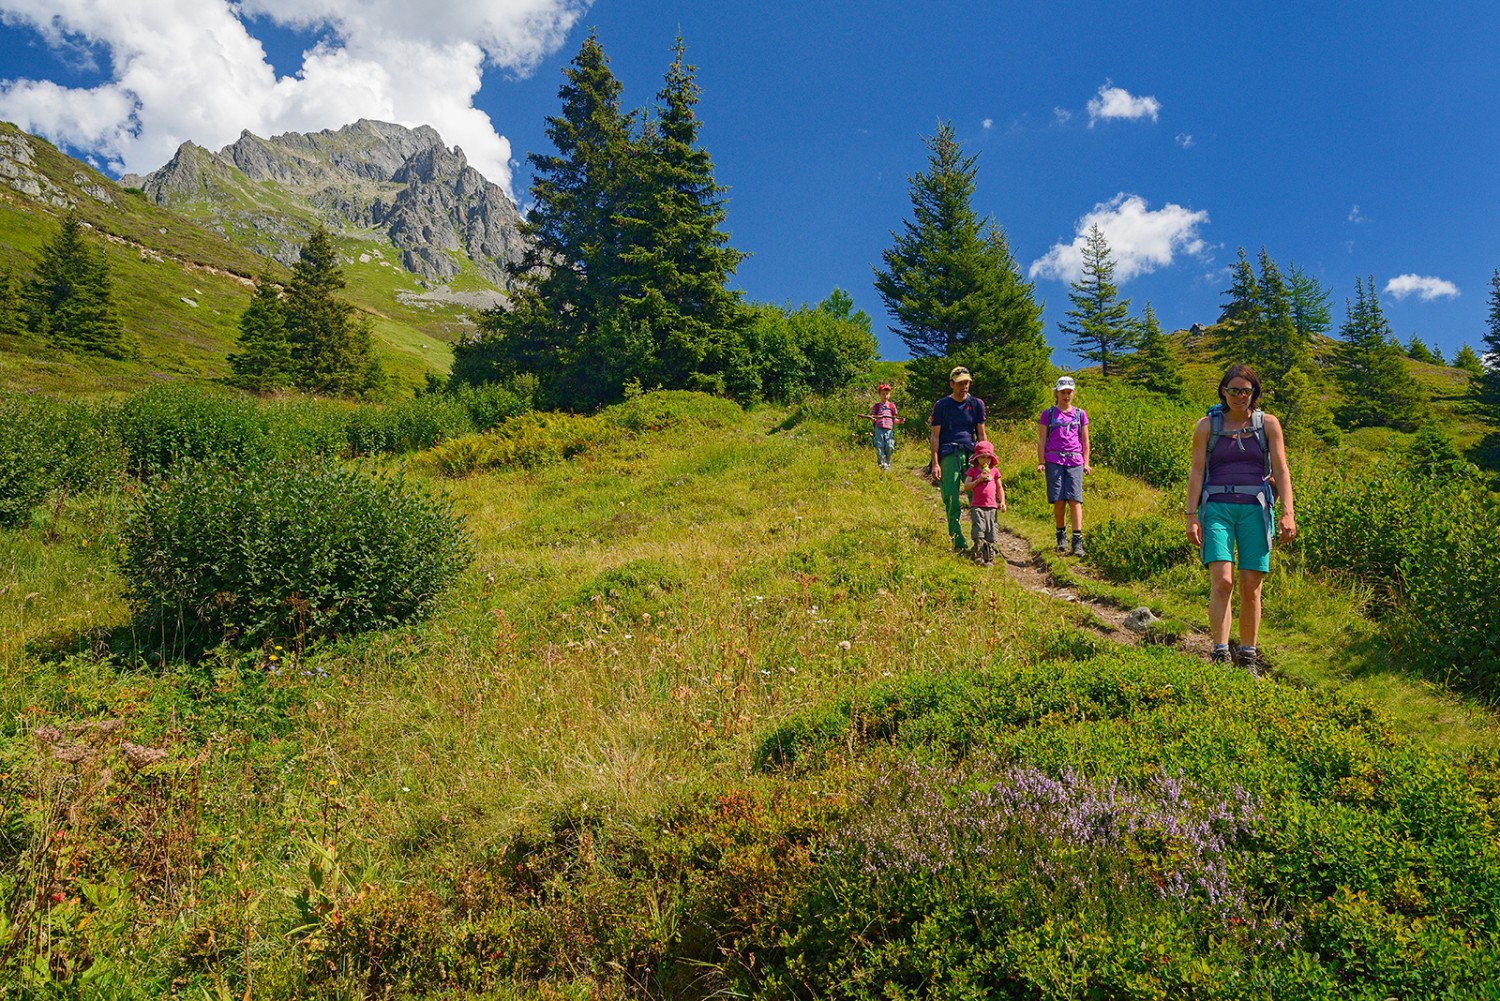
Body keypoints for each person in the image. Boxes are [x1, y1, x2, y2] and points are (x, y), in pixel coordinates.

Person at [1185, 364, 1297, 675]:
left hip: (1256, 509)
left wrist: (1288, 511)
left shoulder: (1269, 424)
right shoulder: (1206, 426)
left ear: (1254, 394)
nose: (1239, 396)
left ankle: (1248, 656)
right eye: (1233, 390)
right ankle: (1220, 653)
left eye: (1245, 391)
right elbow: (1196, 472)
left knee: (1251, 587)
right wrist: (1191, 515)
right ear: (1223, 391)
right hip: (1217, 507)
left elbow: (1282, 470)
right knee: (1223, 582)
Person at [929, 366, 988, 553]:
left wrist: (986, 460)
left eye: (967, 382)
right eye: (961, 382)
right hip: (948, 453)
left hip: (972, 454)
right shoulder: (942, 406)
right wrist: (935, 462)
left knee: (978, 496)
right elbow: (935, 436)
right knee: (951, 497)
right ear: (952, 384)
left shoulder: (976, 404)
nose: (965, 386)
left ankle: (981, 540)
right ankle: (958, 541)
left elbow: (981, 433)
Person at [1036, 376, 1091, 556]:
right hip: (1054, 460)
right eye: (1063, 392)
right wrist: (1041, 462)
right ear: (1057, 393)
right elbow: (1042, 439)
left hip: (1075, 460)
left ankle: (1077, 540)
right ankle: (1061, 535)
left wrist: (1086, 462)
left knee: (1075, 499)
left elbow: (1085, 440)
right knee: (1059, 500)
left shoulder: (1080, 414)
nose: (1066, 395)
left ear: (1073, 393)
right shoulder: (1048, 414)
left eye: (1069, 392)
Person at [960, 440, 1006, 566]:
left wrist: (1002, 501)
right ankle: (979, 553)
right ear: (977, 458)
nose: (986, 460)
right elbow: (966, 486)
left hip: (991, 506)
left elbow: (999, 487)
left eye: (988, 457)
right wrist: (978, 480)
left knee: (991, 530)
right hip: (977, 505)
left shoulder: (995, 471)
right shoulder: (973, 471)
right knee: (979, 529)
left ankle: (989, 554)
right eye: (983, 457)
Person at [861, 383, 905, 469]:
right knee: (879, 446)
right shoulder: (876, 406)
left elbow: (894, 420)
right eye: (883, 394)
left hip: (889, 430)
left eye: (887, 394)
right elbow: (872, 417)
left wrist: (899, 421)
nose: (885, 396)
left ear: (890, 394)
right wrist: (872, 419)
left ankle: (887, 464)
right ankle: (881, 465)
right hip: (879, 429)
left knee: (889, 446)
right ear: (879, 395)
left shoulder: (892, 406)